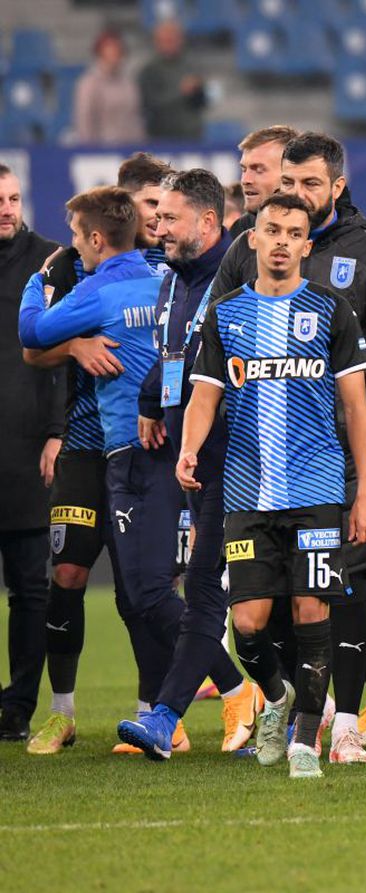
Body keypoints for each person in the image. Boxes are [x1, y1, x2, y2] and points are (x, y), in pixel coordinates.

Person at [211, 132, 366, 763]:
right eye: (287, 183)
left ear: (337, 185)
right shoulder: (249, 251)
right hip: (266, 463)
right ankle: (303, 709)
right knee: (270, 604)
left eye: (309, 184)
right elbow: (214, 342)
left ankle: (351, 723)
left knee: (347, 586)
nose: (296, 195)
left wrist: (341, 429)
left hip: (346, 453)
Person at [177, 192, 366, 779]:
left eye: (295, 232)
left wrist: (363, 491)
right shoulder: (227, 314)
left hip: (316, 492)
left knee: (313, 613)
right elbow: (205, 395)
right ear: (254, 240)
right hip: (246, 493)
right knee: (248, 625)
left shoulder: (332, 311)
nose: (284, 240)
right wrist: (190, 446)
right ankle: (279, 698)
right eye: (274, 229)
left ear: (306, 246)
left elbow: (357, 408)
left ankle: (306, 744)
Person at [19, 187, 186, 755]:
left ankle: (153, 713)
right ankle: (61, 713)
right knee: (65, 573)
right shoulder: (75, 269)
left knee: (139, 589)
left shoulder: (167, 274)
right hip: (86, 445)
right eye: (150, 209)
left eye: (162, 210)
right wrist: (76, 348)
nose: (158, 219)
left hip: (140, 445)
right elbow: (33, 351)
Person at [113, 169, 263, 758]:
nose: (159, 226)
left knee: (214, 595)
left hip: (241, 462)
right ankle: (263, 702)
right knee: (223, 600)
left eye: (171, 218)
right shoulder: (174, 281)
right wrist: (153, 403)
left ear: (208, 222)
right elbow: (174, 359)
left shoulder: (237, 280)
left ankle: (170, 714)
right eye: (158, 216)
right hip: (196, 463)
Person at [0, 165, 59, 741]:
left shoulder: (50, 261)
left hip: (25, 450)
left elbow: (65, 355)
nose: (7, 208)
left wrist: (57, 430)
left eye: (14, 198)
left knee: (30, 588)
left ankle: (17, 706)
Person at [137, 19, 207, 141]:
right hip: (162, 137)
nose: (170, 44)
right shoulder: (149, 70)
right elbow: (149, 103)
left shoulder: (191, 66)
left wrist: (200, 89)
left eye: (173, 39)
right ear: (157, 42)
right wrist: (181, 91)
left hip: (191, 136)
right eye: (166, 40)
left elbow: (204, 101)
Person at [73, 29, 144, 145]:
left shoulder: (128, 83)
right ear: (100, 53)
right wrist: (88, 149)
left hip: (130, 148)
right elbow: (84, 120)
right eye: (109, 50)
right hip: (103, 150)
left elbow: (135, 118)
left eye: (117, 50)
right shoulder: (89, 83)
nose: (114, 54)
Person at [230, 125, 299, 239]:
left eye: (258, 170)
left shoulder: (328, 233)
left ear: (290, 175)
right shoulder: (241, 229)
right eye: (244, 169)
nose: (245, 180)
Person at [118, 153, 172, 274]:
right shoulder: (83, 263)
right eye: (152, 203)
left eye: (166, 207)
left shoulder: (177, 263)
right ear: (124, 201)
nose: (161, 216)